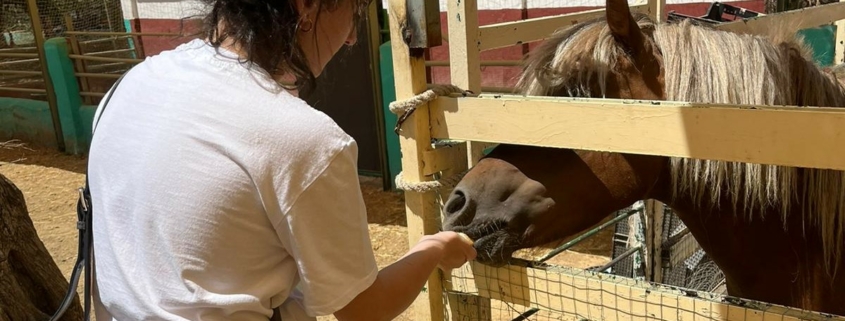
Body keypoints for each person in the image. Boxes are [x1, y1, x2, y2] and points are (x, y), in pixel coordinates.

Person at [85, 0, 477, 320]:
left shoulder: (131, 84)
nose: (354, 35)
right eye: (353, 12)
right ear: (306, 7)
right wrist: (434, 249)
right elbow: (365, 309)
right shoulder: (304, 139)